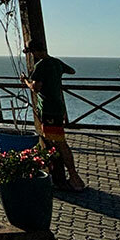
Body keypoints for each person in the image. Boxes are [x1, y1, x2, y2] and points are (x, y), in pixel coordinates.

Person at [21, 43, 86, 191]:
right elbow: (72, 71)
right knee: (53, 142)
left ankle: (74, 178)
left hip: (49, 110)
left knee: (59, 143)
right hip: (58, 107)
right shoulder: (56, 62)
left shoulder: (41, 65)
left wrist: (26, 81)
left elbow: (36, 88)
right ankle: (58, 177)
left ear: (34, 52)